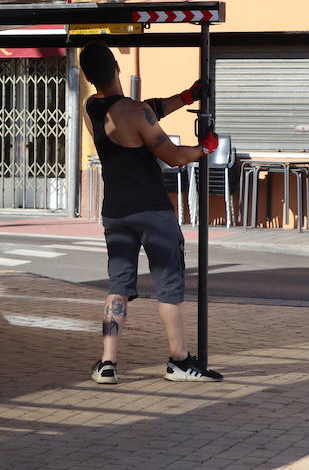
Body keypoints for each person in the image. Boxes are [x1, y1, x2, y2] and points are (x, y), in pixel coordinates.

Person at [79, 40, 223, 384]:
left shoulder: (92, 109)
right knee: (168, 286)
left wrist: (186, 97)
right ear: (117, 66)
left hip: (116, 212)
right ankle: (179, 361)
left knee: (118, 284)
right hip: (153, 211)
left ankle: (107, 364)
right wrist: (204, 148)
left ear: (87, 75)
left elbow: (146, 111)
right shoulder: (134, 111)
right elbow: (173, 156)